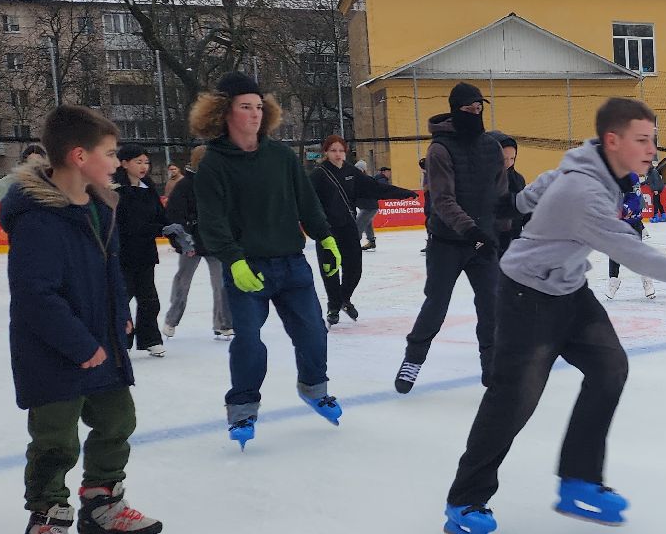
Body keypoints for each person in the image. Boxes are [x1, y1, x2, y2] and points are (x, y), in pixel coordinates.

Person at [439, 97, 666, 534]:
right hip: (527, 297)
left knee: (610, 368)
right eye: (642, 140)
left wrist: (519, 202)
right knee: (515, 400)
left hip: (569, 290)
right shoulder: (584, 193)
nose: (652, 149)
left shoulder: (593, 165)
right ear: (614, 141)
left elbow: (543, 184)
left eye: (653, 139)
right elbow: (635, 253)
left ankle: (579, 481)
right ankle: (464, 500)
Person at [3, 106, 162, 534]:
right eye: (111, 153)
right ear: (79, 155)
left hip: (103, 343)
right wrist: (78, 342)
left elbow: (109, 271)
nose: (118, 162)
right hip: (54, 353)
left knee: (117, 421)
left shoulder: (99, 205)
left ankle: (102, 506)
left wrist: (120, 316)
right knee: (57, 441)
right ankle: (46, 527)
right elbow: (35, 295)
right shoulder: (38, 218)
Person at [192, 71, 343, 448]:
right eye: (246, 107)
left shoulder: (280, 156)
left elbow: (306, 201)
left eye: (259, 107)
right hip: (248, 269)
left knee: (313, 332)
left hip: (292, 263)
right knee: (248, 341)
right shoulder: (213, 164)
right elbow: (212, 221)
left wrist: (325, 236)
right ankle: (242, 411)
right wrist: (234, 260)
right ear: (225, 112)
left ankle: (314, 387)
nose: (255, 114)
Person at [396, 85, 507, 394]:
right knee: (436, 304)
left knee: (492, 305)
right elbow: (443, 201)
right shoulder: (440, 149)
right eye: (469, 109)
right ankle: (413, 359)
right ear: (456, 109)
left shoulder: (492, 147)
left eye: (479, 109)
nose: (475, 114)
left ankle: (492, 367)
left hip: (483, 242)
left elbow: (499, 195)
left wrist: (504, 225)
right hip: (447, 242)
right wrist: (472, 230)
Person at [311, 135, 416, 325]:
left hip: (348, 227)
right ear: (326, 152)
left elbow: (375, 188)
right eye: (333, 150)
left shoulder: (351, 172)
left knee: (354, 268)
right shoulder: (318, 174)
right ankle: (333, 306)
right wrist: (318, 226)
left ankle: (344, 298)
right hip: (327, 231)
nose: (338, 154)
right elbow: (310, 202)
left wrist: (403, 194)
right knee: (331, 269)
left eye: (341, 150)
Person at [162, 145, 233, 342]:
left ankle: (223, 323)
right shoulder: (184, 186)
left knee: (222, 284)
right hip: (190, 243)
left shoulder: (219, 184)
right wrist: (183, 242)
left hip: (215, 243)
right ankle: (171, 320)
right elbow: (175, 216)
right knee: (182, 283)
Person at [112, 145, 171, 357]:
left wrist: (174, 231)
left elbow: (160, 216)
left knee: (149, 300)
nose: (144, 166)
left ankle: (150, 339)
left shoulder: (148, 187)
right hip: (122, 254)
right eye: (138, 162)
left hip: (145, 254)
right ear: (124, 163)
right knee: (123, 298)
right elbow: (129, 225)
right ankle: (120, 341)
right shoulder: (116, 189)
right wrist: (160, 228)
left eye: (146, 162)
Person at [605, 173, 657, 299]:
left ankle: (646, 280)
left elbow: (636, 198)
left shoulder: (631, 177)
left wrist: (622, 210)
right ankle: (613, 281)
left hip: (632, 222)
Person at [496, 136, 528, 252]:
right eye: (504, 159)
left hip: (514, 242)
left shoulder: (518, 179)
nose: (508, 163)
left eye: (512, 158)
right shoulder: (485, 180)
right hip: (491, 242)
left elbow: (525, 208)